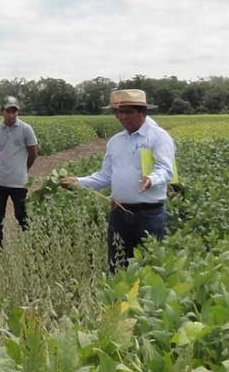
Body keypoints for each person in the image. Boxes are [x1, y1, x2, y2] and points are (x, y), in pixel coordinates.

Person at [61, 89, 175, 271]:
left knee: (148, 268)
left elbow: (166, 170)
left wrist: (151, 180)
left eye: (128, 111)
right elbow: (105, 176)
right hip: (119, 214)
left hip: (148, 215)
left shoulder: (158, 137)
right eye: (119, 112)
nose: (122, 116)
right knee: (118, 267)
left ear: (141, 112)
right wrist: (79, 181)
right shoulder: (115, 142)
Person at [0, 96, 38, 247]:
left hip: (18, 182)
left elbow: (33, 152)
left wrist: (24, 169)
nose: (11, 114)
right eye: (8, 111)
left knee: (21, 214)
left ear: (17, 112)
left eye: (14, 111)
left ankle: (28, 243)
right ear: (2, 112)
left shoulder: (26, 129)